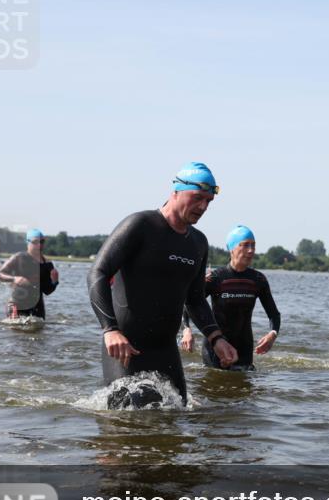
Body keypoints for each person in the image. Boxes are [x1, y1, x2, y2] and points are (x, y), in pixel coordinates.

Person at [87, 162, 238, 406]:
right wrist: (110, 330)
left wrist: (216, 338)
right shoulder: (140, 226)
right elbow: (98, 273)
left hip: (165, 350)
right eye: (197, 198)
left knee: (175, 418)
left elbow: (196, 298)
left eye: (209, 201)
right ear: (176, 191)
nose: (203, 207)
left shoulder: (198, 243)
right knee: (123, 428)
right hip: (125, 347)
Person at [181, 225, 281, 370]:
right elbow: (190, 303)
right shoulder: (215, 278)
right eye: (245, 245)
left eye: (253, 245)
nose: (251, 250)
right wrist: (187, 330)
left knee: (244, 389)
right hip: (215, 349)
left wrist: (272, 334)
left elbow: (274, 314)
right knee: (215, 388)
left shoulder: (258, 280)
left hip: (244, 350)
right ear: (232, 248)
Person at [0, 229, 59, 319]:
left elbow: (47, 291)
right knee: (16, 331)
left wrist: (55, 282)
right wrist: (14, 279)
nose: (39, 245)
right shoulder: (19, 257)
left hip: (38, 307)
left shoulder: (47, 264)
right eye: (35, 242)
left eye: (42, 241)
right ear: (28, 243)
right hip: (17, 305)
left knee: (39, 330)